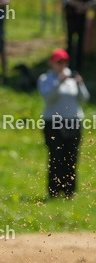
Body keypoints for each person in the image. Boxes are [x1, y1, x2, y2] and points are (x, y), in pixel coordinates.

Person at [39, 48, 89, 198]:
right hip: (53, 122)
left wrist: (80, 84)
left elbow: (84, 99)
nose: (61, 65)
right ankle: (54, 191)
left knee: (71, 157)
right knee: (56, 157)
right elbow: (48, 98)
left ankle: (69, 191)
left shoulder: (73, 79)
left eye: (64, 62)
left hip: (73, 122)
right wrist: (59, 82)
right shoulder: (46, 79)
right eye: (58, 62)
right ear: (52, 63)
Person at [63, 0, 92, 71]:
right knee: (70, 44)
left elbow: (92, 3)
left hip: (81, 21)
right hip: (71, 20)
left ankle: (79, 67)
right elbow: (68, 0)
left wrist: (83, 7)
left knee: (80, 45)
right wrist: (81, 6)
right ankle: (68, 65)